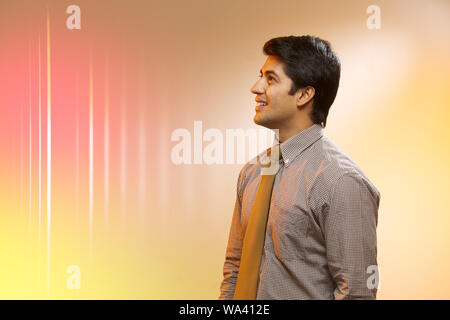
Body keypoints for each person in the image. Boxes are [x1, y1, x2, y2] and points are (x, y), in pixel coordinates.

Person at [219, 35, 380, 300]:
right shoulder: (252, 172)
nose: (256, 87)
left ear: (304, 94)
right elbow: (235, 268)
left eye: (271, 79)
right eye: (261, 76)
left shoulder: (341, 181)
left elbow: (356, 292)